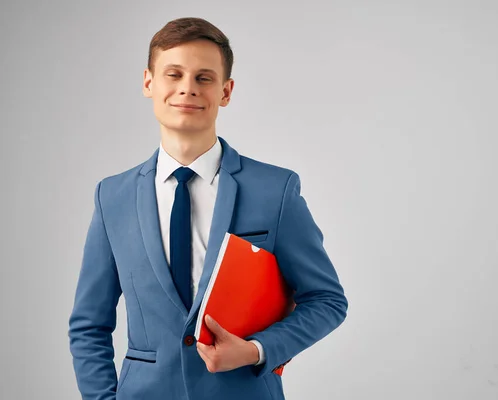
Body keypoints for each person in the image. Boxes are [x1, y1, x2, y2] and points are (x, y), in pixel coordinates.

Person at [67, 16, 348, 400]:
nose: (187, 88)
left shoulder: (275, 189)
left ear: (226, 91)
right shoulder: (112, 196)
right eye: (174, 74)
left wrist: (255, 351)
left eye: (204, 77)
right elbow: (89, 324)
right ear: (149, 82)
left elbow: (327, 300)